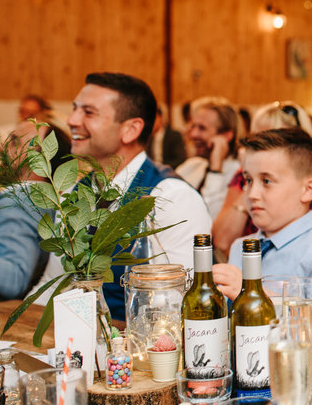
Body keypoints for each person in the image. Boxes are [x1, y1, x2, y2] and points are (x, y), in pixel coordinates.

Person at [29, 72, 211, 319]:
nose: (72, 120)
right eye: (75, 109)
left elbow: (179, 307)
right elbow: (54, 283)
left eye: (88, 112)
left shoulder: (171, 198)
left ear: (131, 129)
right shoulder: (78, 192)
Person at [212, 128, 312, 329]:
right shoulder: (241, 248)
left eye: (267, 181)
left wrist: (253, 294)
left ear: (308, 190)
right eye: (248, 180)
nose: (252, 193)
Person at [212, 100, 312, 257]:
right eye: (259, 136)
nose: (263, 145)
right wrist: (252, 179)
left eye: (273, 137)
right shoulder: (244, 177)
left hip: (311, 264)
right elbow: (222, 241)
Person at [0, 121, 70, 299]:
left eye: (15, 141)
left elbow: (14, 277)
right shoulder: (30, 196)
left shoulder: (22, 199)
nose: (1, 147)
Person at [175, 96, 240, 218]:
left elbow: (208, 217)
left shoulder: (238, 174)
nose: (193, 134)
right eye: (193, 126)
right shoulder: (192, 166)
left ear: (226, 135)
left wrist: (215, 170)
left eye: (202, 128)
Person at [148, 105, 186, 171]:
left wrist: (163, 166)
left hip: (170, 171)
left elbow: (180, 159)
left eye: (152, 119)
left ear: (160, 117)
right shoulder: (148, 138)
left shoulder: (174, 135)